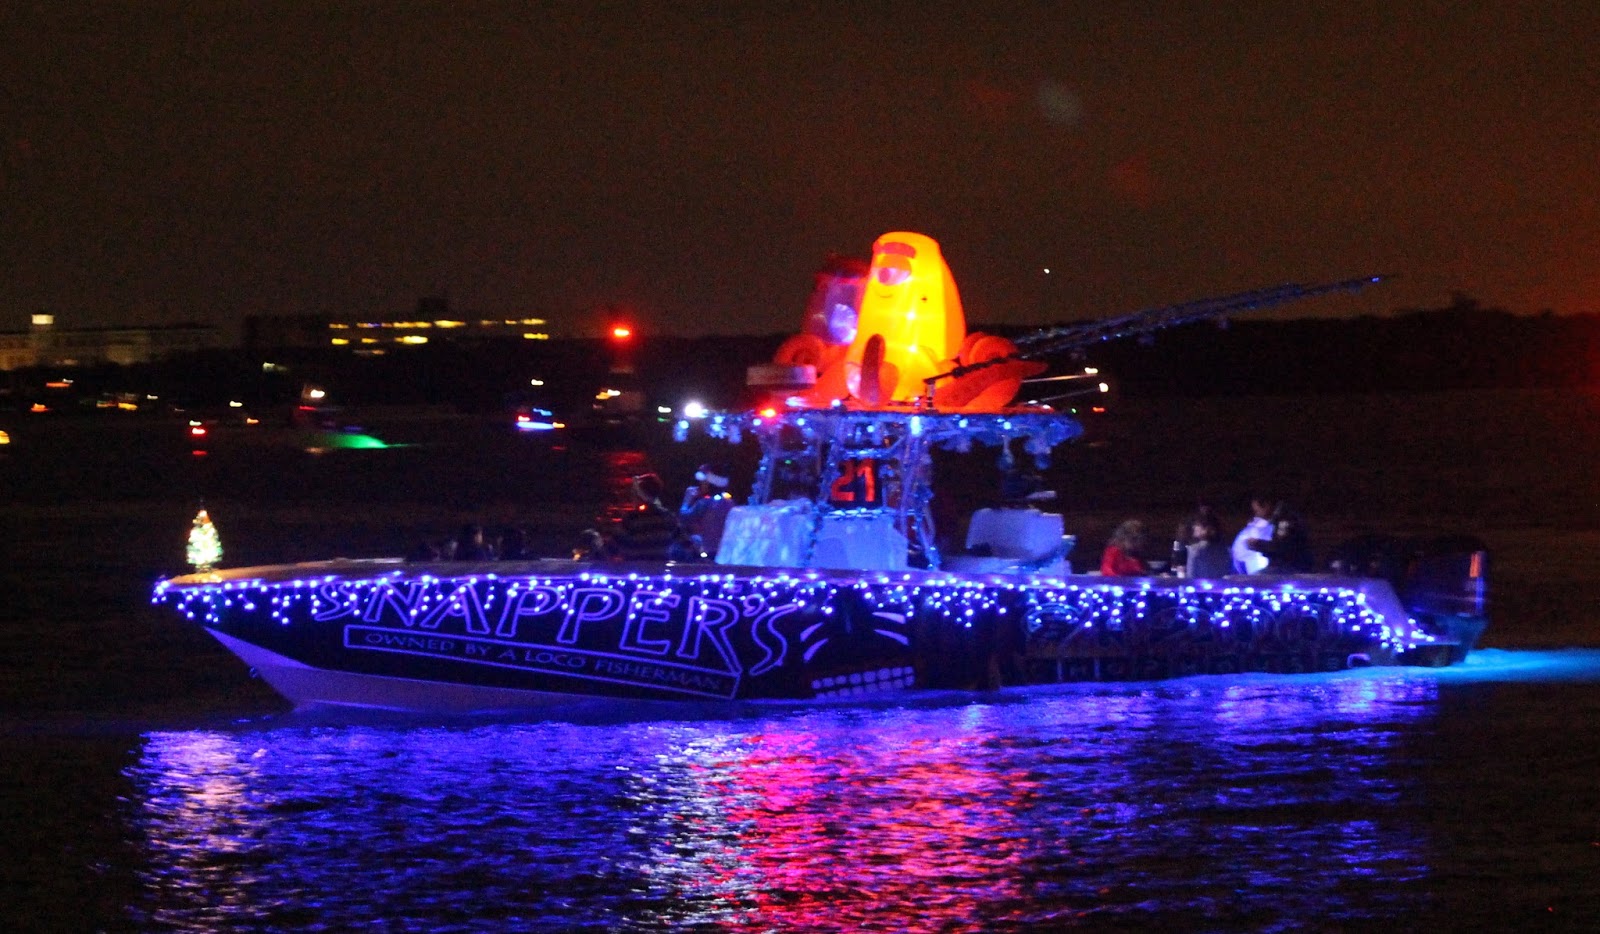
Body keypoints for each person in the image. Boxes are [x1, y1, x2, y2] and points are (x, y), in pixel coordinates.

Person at [613, 473, 681, 561]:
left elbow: (615, 542)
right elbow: (682, 540)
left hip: (636, 569)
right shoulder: (667, 516)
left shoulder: (632, 518)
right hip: (662, 569)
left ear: (639, 495)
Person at [679, 464, 734, 558]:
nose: (701, 484)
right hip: (724, 551)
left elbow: (683, 517)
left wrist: (687, 499)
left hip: (707, 552)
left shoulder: (704, 503)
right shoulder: (730, 502)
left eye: (704, 481)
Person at [1248, 501, 1314, 573]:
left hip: (1291, 567)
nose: (1257, 515)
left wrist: (1258, 544)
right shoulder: (1282, 519)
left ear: (1266, 507)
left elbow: (1281, 547)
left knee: (1256, 579)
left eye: (1257, 511)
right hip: (1289, 565)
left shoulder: (1284, 521)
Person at [1184, 507, 1233, 579]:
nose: (1194, 527)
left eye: (1197, 524)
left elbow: (1191, 577)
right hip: (1220, 588)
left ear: (1206, 529)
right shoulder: (1226, 550)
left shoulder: (1194, 550)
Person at [1231, 496, 1276, 574]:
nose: (1256, 513)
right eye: (1255, 511)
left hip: (1268, 571)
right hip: (1251, 571)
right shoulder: (1252, 528)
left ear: (1266, 506)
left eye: (1257, 510)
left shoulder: (1273, 526)